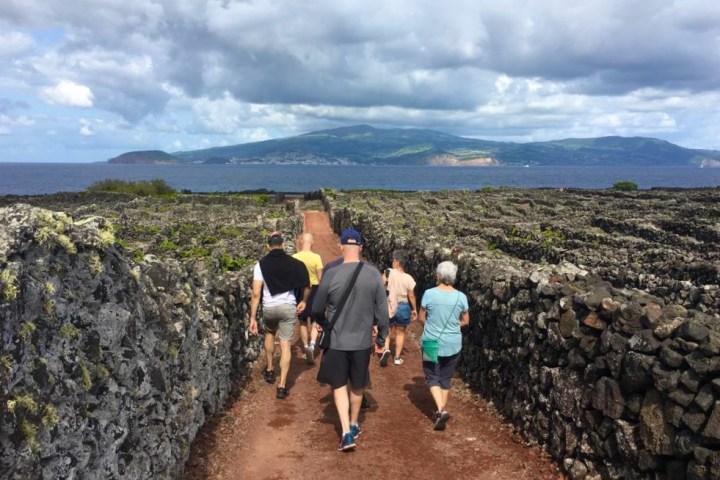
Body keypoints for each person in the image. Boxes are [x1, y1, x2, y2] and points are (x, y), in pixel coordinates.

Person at [312, 228, 389, 451]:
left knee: (338, 384)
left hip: (337, 341)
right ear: (361, 247)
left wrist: (321, 321)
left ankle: (346, 432)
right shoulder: (374, 274)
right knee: (358, 383)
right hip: (363, 341)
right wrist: (382, 339)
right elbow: (383, 313)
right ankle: (355, 423)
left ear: (341, 246)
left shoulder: (331, 274)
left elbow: (317, 307)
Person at [249, 232, 311, 400]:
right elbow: (307, 284)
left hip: (269, 306)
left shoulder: (260, 265)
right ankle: (282, 385)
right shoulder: (295, 263)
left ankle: (270, 369)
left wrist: (252, 318)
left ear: (268, 246)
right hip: (287, 306)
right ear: (283, 244)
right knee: (285, 345)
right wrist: (303, 301)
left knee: (270, 333)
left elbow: (256, 293)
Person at [418, 261, 469, 431]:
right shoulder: (461, 297)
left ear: (438, 276)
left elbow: (421, 317)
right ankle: (440, 411)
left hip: (432, 341)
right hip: (453, 343)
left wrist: (432, 326)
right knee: (445, 378)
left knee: (432, 375)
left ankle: (440, 410)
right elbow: (465, 320)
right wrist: (452, 327)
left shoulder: (429, 294)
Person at [380, 250, 417, 366]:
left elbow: (381, 286)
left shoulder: (388, 272)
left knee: (388, 329)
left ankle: (386, 349)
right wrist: (414, 309)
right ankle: (397, 358)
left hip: (390, 305)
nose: (392, 262)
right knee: (400, 333)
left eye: (393, 260)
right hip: (403, 306)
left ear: (397, 262)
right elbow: (411, 295)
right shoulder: (409, 278)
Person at [292, 233, 324, 364]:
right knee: (316, 319)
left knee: (303, 321)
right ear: (312, 242)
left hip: (300, 289)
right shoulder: (316, 257)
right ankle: (312, 344)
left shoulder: (295, 257)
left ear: (301, 242)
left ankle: (305, 348)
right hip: (315, 289)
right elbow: (320, 278)